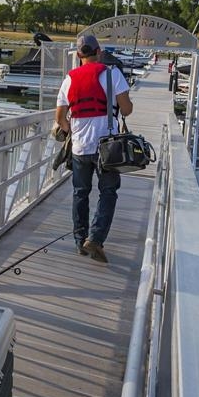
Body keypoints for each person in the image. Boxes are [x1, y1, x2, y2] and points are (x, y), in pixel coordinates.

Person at [55, 35, 133, 263]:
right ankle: (96, 239)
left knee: (81, 193)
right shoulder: (112, 74)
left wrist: (73, 130)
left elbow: (59, 118)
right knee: (108, 192)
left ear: (79, 55)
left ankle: (80, 242)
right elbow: (126, 110)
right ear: (99, 52)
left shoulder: (69, 79)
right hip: (107, 148)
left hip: (80, 147)